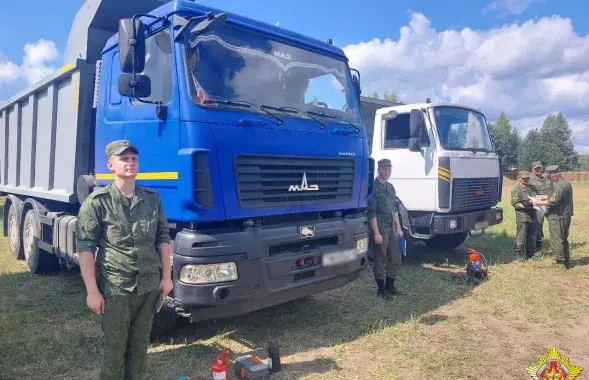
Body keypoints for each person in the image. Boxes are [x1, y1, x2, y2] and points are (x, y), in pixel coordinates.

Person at [75, 140, 173, 379]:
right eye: (123, 159)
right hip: (117, 291)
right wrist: (92, 291)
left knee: (139, 350)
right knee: (115, 353)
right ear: (110, 164)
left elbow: (163, 238)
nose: (130, 163)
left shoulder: (152, 199)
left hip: (149, 288)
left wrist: (167, 278)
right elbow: (85, 249)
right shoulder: (97, 203)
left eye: (133, 159)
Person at [367, 158, 404, 300]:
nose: (387, 172)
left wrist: (399, 228)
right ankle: (381, 289)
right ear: (379, 170)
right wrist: (376, 233)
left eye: (389, 169)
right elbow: (372, 212)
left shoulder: (391, 187)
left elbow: (395, 210)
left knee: (396, 257)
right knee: (380, 258)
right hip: (381, 228)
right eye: (384, 169)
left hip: (392, 228)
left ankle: (390, 286)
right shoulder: (374, 188)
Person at [532, 165, 574, 269]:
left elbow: (554, 201)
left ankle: (560, 263)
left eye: (549, 176)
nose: (549, 179)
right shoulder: (566, 183)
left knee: (556, 239)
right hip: (565, 215)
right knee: (563, 239)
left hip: (558, 216)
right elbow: (554, 196)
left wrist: (538, 202)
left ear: (554, 175)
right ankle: (566, 260)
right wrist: (543, 197)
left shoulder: (559, 185)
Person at [510, 171, 539, 260]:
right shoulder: (516, 190)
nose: (526, 180)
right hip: (522, 216)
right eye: (524, 178)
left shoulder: (532, 188)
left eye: (527, 178)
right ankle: (518, 253)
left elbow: (537, 198)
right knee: (521, 236)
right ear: (519, 178)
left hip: (533, 214)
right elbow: (515, 203)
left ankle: (530, 253)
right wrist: (525, 207)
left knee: (532, 235)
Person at [528, 161, 553, 250]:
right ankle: (539, 242)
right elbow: (527, 193)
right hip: (539, 204)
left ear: (542, 168)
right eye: (536, 168)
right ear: (532, 169)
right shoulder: (530, 180)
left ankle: (555, 242)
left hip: (550, 203)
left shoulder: (548, 177)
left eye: (540, 168)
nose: (538, 170)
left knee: (553, 223)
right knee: (538, 224)